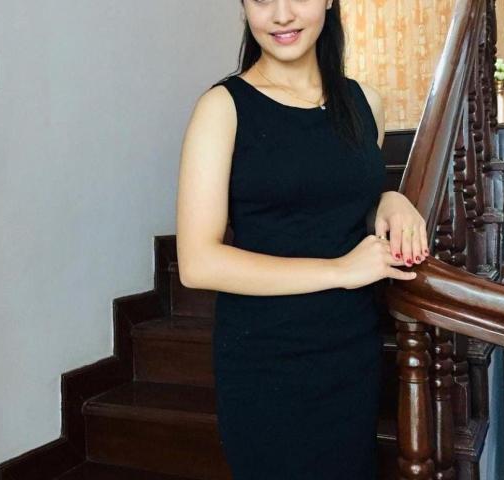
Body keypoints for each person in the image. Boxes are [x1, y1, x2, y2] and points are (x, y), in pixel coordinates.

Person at [176, 0, 429, 478]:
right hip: (266, 358)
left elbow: (338, 196)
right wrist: (340, 270)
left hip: (351, 350)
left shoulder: (364, 102)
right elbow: (197, 262)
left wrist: (388, 200)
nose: (281, 15)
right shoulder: (223, 108)